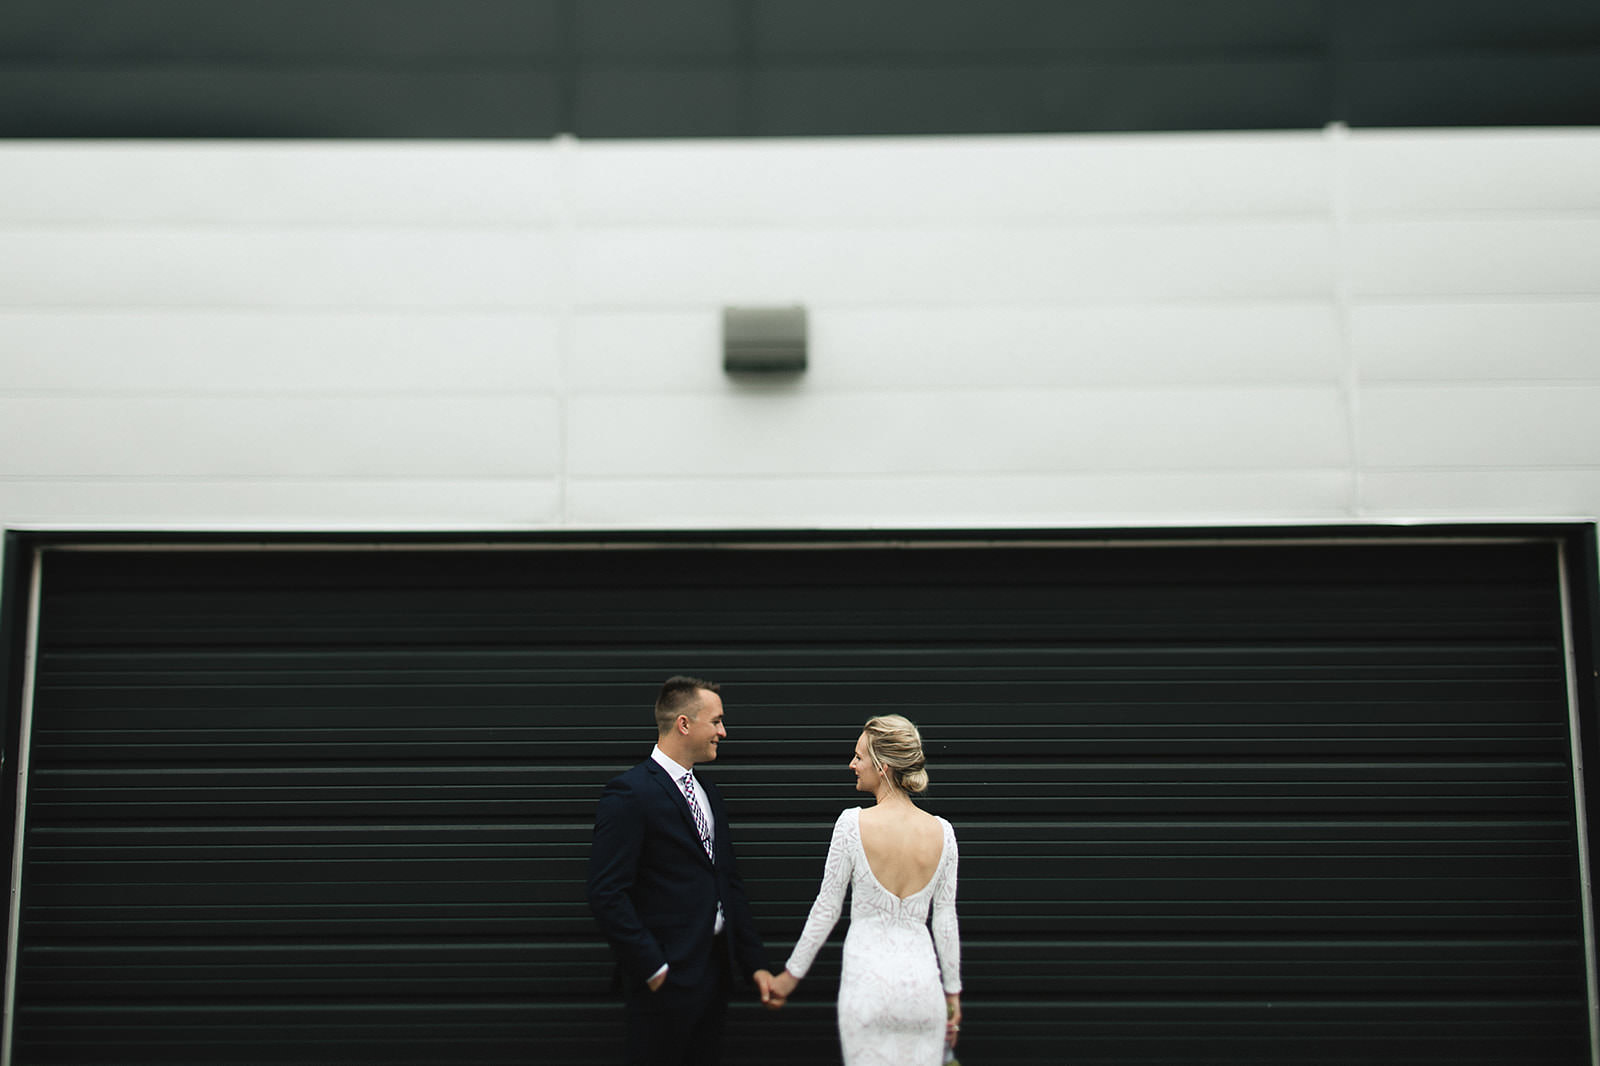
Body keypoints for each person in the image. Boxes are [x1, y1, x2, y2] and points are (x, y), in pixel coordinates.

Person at [586, 676, 779, 1066]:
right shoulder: (630, 793)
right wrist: (654, 969)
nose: (723, 732)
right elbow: (607, 892)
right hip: (663, 983)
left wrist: (754, 963)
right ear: (684, 724)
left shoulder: (709, 794)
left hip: (714, 975)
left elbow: (727, 883)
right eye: (717, 721)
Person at [771, 714, 963, 1064]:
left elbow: (826, 909)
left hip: (868, 988)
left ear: (884, 766)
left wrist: (789, 976)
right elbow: (945, 922)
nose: (852, 764)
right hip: (923, 992)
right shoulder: (943, 833)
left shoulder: (851, 825)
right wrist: (953, 995)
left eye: (859, 757)